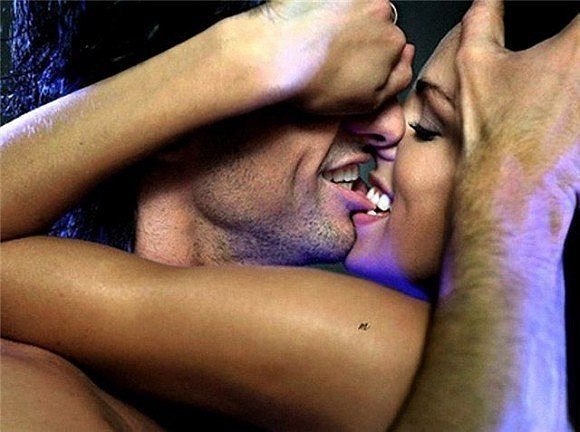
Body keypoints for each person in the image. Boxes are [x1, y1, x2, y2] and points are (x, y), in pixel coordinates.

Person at [2, 0, 578, 430]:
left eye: (429, 128)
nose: (389, 127)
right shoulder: (32, 390)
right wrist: (251, 52)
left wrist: (523, 182)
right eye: (332, 77)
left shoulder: (412, 351)